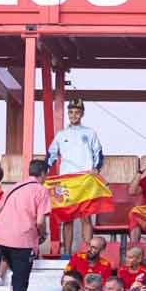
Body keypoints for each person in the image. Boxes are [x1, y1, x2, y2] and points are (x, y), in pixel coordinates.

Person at [0, 159, 51, 291]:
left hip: (3, 238)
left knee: (15, 276)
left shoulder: (14, 187)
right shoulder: (41, 190)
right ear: (43, 173)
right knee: (21, 283)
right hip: (23, 240)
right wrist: (43, 235)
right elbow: (41, 221)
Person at [45, 97, 104, 256]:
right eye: (71, 112)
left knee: (86, 217)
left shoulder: (90, 133)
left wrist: (96, 168)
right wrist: (44, 172)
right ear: (68, 113)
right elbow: (51, 155)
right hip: (66, 180)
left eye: (77, 112)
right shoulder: (61, 134)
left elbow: (98, 153)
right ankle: (66, 253)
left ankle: (88, 251)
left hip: (84, 179)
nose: (74, 115)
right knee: (67, 218)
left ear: (82, 114)